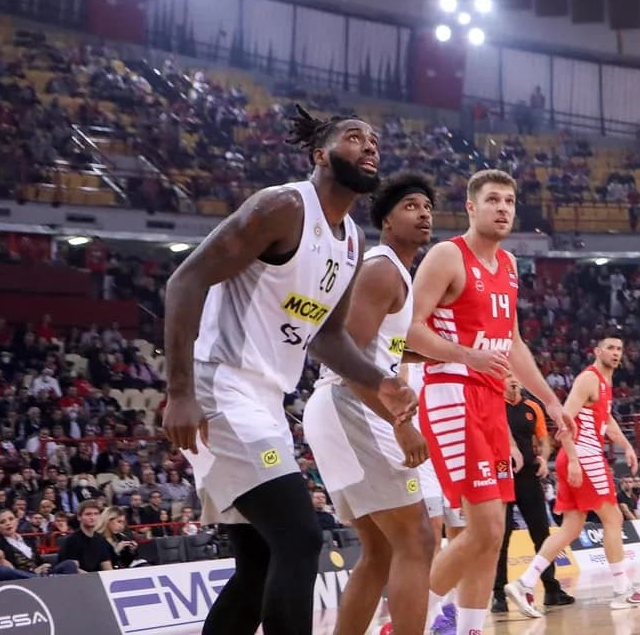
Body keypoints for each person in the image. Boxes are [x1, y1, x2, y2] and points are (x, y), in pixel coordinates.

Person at [162, 109, 414, 635]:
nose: (370, 147)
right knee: (300, 537)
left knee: (258, 567)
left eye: (375, 140)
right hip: (220, 388)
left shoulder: (351, 242)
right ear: (320, 155)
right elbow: (185, 282)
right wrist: (180, 392)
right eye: (354, 138)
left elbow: (328, 335)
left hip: (267, 401)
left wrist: (379, 382)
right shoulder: (283, 206)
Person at [408, 170, 572, 635]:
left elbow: (514, 343)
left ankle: (470, 628)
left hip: (491, 399)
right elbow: (408, 331)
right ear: (471, 207)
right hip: (452, 394)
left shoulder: (511, 267)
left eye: (510, 201)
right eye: (493, 200)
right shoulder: (446, 255)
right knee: (481, 530)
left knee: (494, 533)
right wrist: (467, 355)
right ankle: (403, 621)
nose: (503, 208)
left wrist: (551, 402)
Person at [299, 172, 440, 635]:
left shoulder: (393, 271)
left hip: (338, 408)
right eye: (411, 206)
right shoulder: (382, 269)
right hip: (350, 404)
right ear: (386, 219)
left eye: (427, 207)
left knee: (381, 552)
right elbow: (351, 356)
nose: (423, 214)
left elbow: (385, 349)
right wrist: (399, 420)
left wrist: (463, 357)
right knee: (418, 539)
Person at [511, 332, 640, 613]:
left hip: (580, 456)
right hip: (583, 455)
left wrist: (626, 446)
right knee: (613, 517)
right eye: (610, 347)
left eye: (619, 348)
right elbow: (565, 421)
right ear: (597, 351)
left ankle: (524, 582)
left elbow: (606, 419)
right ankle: (622, 590)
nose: (616, 352)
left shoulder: (605, 382)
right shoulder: (588, 378)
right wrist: (573, 459)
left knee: (570, 528)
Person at [493, 380, 573, 614]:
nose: (513, 380)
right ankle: (498, 595)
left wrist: (544, 458)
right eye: (508, 376)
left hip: (529, 474)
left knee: (541, 531)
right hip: (502, 474)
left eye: (515, 376)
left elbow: (543, 439)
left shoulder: (532, 406)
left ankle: (551, 589)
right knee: (502, 536)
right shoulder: (495, 403)